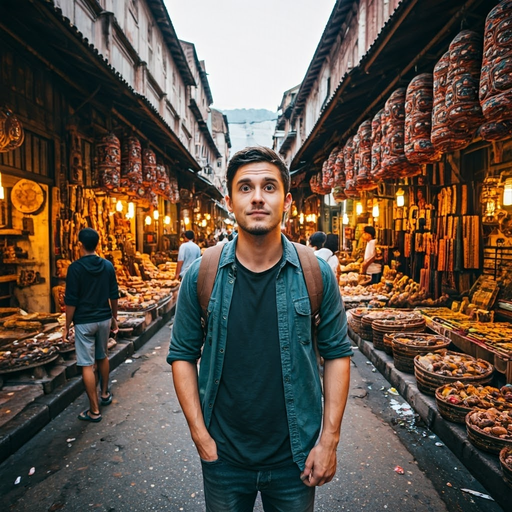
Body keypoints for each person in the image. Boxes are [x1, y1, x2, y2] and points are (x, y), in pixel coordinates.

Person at [167, 146, 352, 512]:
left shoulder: (316, 274)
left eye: (269, 187)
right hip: (223, 459)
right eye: (245, 187)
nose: (257, 198)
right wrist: (200, 435)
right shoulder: (201, 274)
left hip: (294, 458)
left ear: (287, 200)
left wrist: (328, 440)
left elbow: (337, 354)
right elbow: (182, 355)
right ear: (230, 199)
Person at [64, 228, 119, 422]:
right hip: (104, 319)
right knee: (102, 356)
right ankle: (104, 394)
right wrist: (115, 317)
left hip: (84, 322)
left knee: (87, 364)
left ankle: (94, 411)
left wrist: (66, 325)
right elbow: (114, 295)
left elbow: (71, 301)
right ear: (98, 244)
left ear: (80, 245)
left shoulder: (75, 268)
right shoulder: (107, 266)